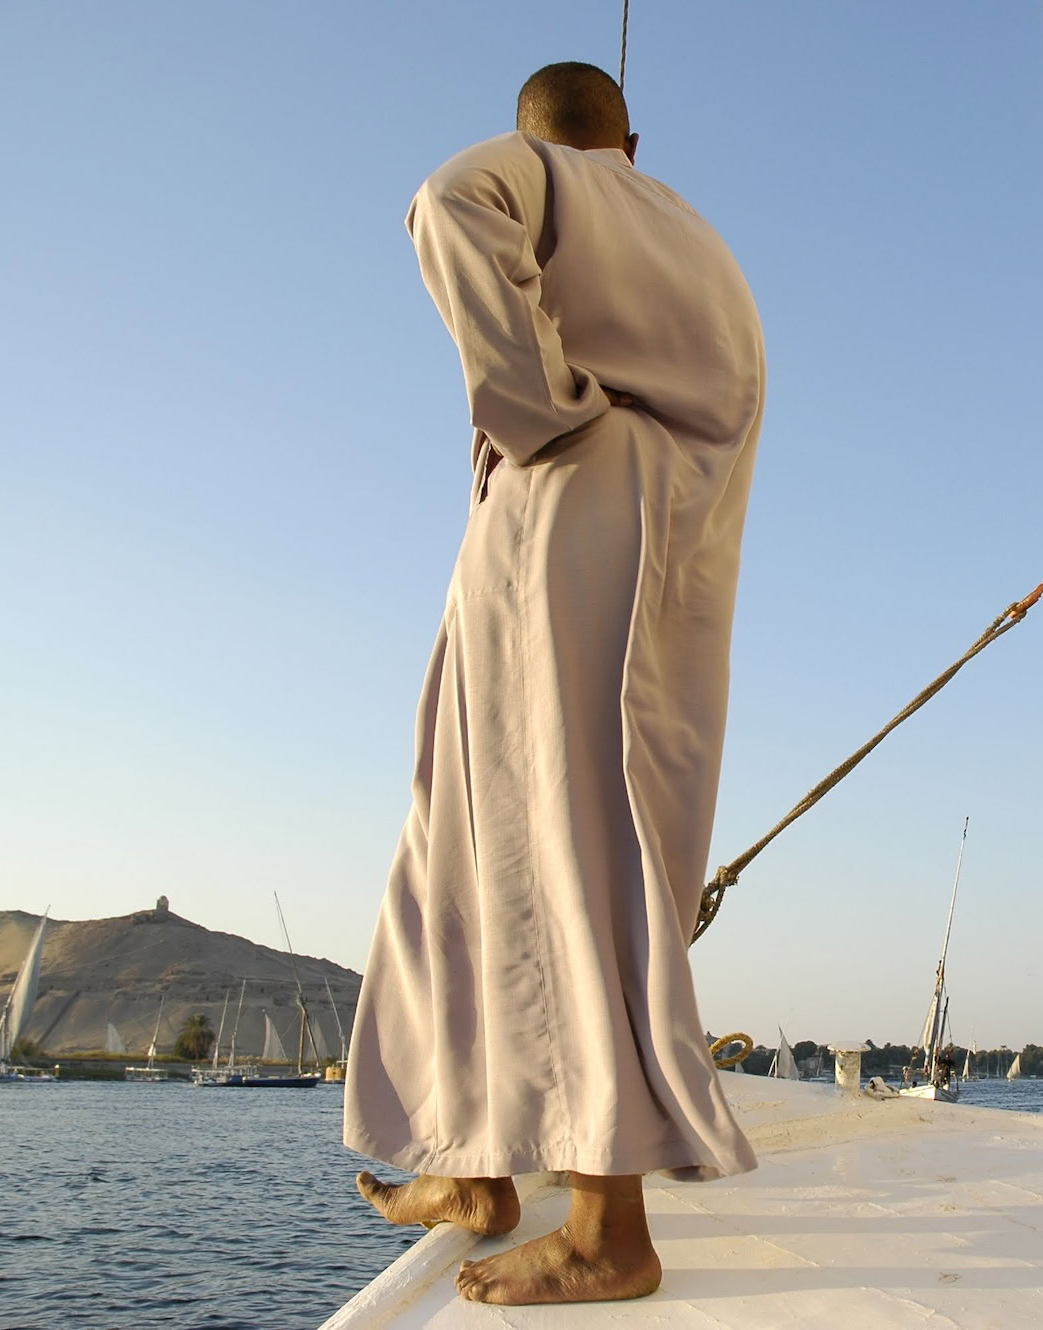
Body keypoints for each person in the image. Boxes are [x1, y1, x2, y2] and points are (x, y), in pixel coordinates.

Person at [342, 60, 765, 1307]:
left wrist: (544, 414)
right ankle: (476, 1165)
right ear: (632, 134)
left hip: (566, 516)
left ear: (553, 142)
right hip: (659, 536)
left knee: (558, 843)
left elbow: (444, 198)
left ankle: (605, 1227)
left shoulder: (539, 178)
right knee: (456, 848)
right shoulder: (709, 252)